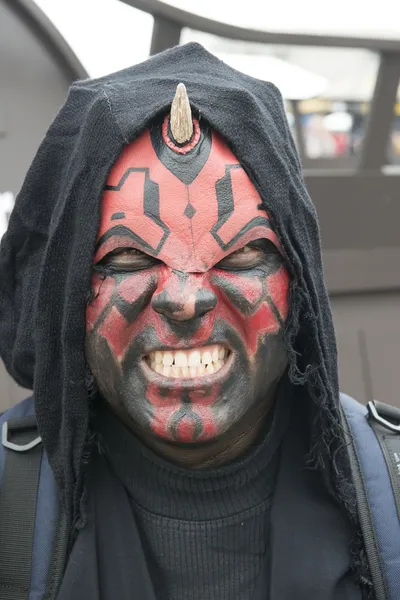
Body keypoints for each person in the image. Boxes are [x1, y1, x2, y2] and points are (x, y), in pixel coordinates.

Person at [0, 42, 382, 599]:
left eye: (244, 256)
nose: (185, 300)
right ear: (66, 293)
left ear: (298, 282)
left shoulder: (389, 493)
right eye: (127, 259)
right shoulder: (10, 508)